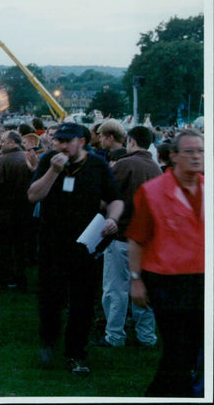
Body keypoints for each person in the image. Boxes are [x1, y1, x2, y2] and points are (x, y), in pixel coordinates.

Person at [27, 122, 123, 376]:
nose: (60, 145)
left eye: (66, 141)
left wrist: (113, 218)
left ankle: (76, 353)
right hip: (52, 243)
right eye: (58, 140)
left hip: (85, 245)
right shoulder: (49, 160)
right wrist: (54, 172)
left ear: (81, 141)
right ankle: (48, 342)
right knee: (50, 298)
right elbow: (33, 196)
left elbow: (115, 198)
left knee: (82, 302)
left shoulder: (97, 165)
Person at [127, 128, 204, 397]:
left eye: (200, 151)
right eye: (189, 151)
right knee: (178, 345)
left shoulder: (207, 188)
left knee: (194, 344)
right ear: (173, 156)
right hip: (165, 280)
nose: (196, 157)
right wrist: (136, 281)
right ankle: (162, 394)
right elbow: (136, 239)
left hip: (200, 279)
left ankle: (175, 392)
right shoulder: (153, 192)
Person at [95, 125, 161, 348]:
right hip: (148, 240)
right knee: (144, 290)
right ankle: (146, 336)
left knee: (116, 290)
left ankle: (114, 335)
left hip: (122, 235)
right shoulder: (156, 167)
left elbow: (107, 196)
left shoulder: (124, 164)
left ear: (131, 141)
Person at [0, 131, 32, 292]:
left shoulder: (1, 160)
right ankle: (21, 281)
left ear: (13, 142)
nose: (0, 144)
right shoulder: (27, 158)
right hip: (24, 210)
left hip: (4, 210)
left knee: (3, 248)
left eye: (3, 141)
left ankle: (2, 281)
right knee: (20, 249)